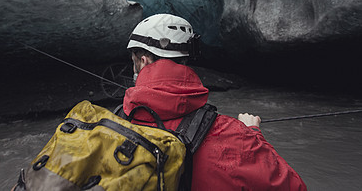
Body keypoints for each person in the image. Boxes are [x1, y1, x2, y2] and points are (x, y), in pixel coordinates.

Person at [122, 13, 307, 190]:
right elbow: (293, 187)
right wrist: (253, 134)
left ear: (143, 61)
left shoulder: (109, 124)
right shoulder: (232, 135)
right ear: (186, 59)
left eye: (134, 61)